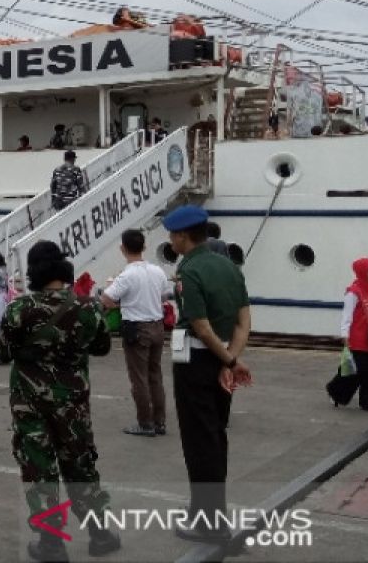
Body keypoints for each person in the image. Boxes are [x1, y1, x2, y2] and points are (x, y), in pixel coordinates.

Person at [0, 240, 119, 561]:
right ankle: (100, 533)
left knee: (39, 467)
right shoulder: (88, 307)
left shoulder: (20, 309)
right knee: (80, 463)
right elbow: (102, 347)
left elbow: (0, 352)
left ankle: (51, 543)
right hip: (73, 403)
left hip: (29, 403)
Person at [163, 205, 252, 544]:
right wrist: (231, 359)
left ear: (183, 236)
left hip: (197, 363)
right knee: (216, 435)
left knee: (199, 442)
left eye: (172, 235)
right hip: (222, 357)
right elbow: (244, 322)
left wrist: (228, 362)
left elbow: (199, 326)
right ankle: (205, 507)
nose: (171, 241)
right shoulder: (230, 267)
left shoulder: (190, 270)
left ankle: (210, 522)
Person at [100, 229, 172, 437]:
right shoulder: (157, 271)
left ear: (122, 249)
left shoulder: (127, 274)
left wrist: (120, 304)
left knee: (139, 378)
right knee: (155, 375)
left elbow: (106, 299)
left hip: (137, 328)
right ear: (145, 247)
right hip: (157, 326)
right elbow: (164, 295)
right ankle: (160, 421)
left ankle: (145, 422)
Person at [326, 258, 368, 412]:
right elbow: (347, 316)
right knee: (355, 372)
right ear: (361, 272)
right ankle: (335, 392)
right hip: (357, 339)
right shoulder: (353, 292)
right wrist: (345, 335)